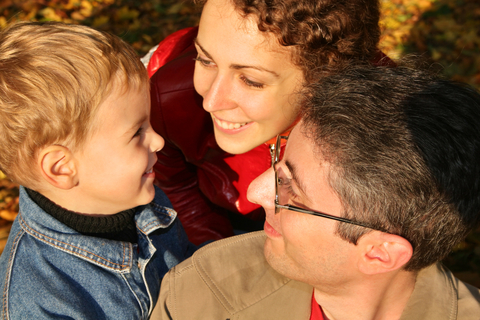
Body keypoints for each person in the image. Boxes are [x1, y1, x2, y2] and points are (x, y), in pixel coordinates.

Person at [151, 63, 480, 319]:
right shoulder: (207, 284)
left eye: (292, 190)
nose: (255, 191)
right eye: (279, 161)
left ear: (379, 253)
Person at [147, 0, 393, 245]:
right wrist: (216, 253)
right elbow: (178, 186)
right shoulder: (168, 99)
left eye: (251, 80)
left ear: (325, 79)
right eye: (205, 59)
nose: (210, 102)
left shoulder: (386, 124)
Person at [0, 21, 195, 319]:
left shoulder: (139, 196)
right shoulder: (39, 299)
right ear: (62, 167)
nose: (157, 140)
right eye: (136, 133)